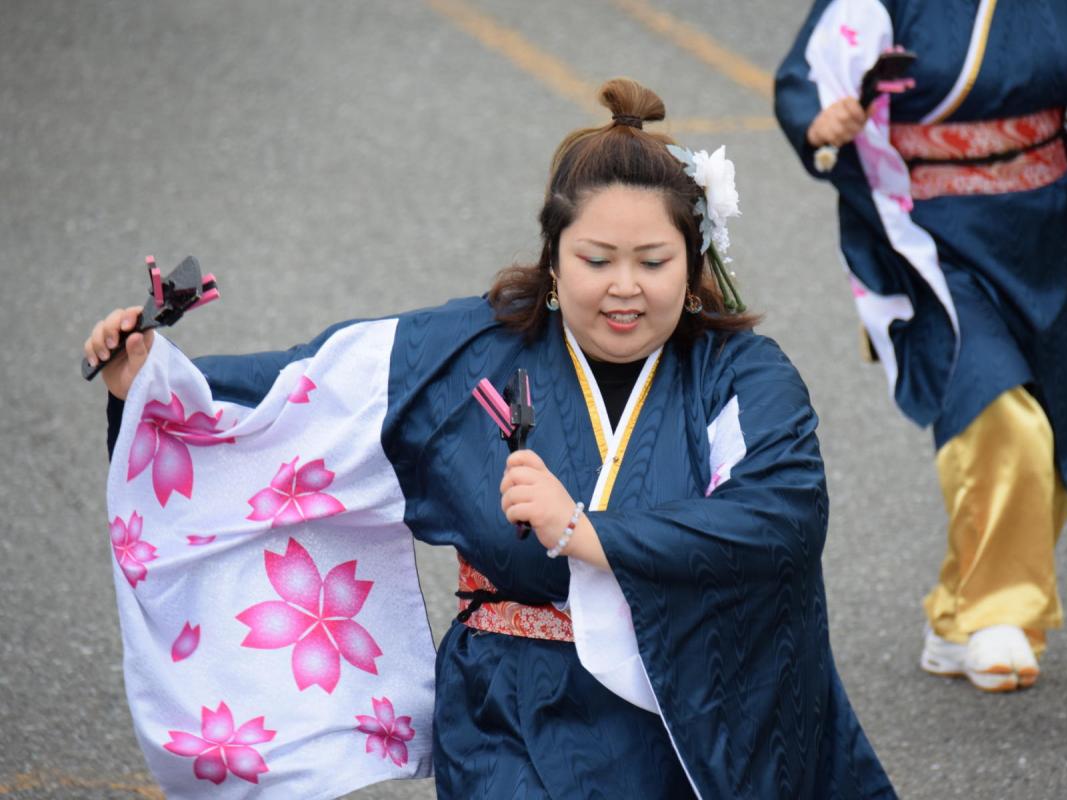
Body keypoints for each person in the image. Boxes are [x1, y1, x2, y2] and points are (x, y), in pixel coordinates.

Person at [85, 78, 896, 799]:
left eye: (653, 260)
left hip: (688, 706)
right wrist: (154, 381)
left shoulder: (741, 376)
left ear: (695, 266)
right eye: (596, 258)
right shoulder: (467, 355)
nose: (624, 286)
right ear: (553, 261)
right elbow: (305, 391)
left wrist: (587, 531)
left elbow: (784, 513)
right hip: (512, 714)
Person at [775, 1, 1067, 693]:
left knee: (1059, 433)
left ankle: (956, 613)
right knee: (997, 413)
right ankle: (1003, 615)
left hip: (1046, 224)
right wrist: (823, 117)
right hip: (929, 235)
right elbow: (815, 74)